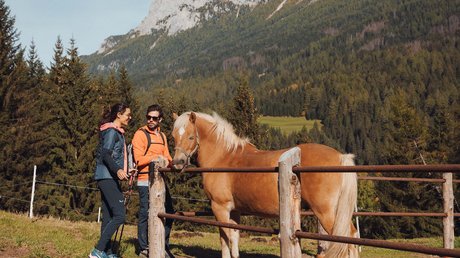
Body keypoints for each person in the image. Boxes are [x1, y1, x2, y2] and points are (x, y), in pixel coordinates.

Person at [132, 104, 175, 258]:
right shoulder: (140, 134)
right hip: (145, 179)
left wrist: (173, 163)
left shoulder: (162, 136)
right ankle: (144, 248)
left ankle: (162, 245)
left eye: (154, 118)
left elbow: (167, 156)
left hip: (160, 181)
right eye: (148, 117)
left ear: (160, 119)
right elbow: (138, 160)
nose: (150, 120)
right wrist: (156, 158)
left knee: (169, 211)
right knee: (145, 213)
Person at [90, 103, 132, 258]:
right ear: (119, 115)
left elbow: (115, 156)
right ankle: (97, 250)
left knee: (108, 216)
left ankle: (106, 252)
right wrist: (118, 170)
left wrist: (126, 170)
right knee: (120, 215)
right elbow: (106, 155)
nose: (130, 117)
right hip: (107, 176)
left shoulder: (118, 133)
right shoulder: (111, 132)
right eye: (128, 114)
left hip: (108, 176)